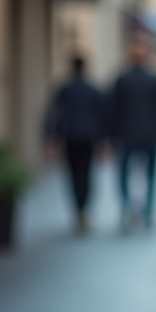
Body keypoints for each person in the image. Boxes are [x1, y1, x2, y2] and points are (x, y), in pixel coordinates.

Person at [110, 33, 156, 230]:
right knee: (144, 174)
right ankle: (141, 211)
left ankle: (135, 210)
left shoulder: (126, 77)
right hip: (141, 134)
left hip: (135, 134)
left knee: (130, 174)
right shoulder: (149, 78)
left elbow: (113, 107)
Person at [45, 56, 107, 233]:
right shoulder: (93, 88)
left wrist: (52, 137)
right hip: (88, 137)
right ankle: (84, 210)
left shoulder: (65, 88)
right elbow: (102, 115)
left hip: (70, 137)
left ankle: (78, 211)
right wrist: (103, 140)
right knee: (86, 173)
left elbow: (54, 113)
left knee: (73, 174)